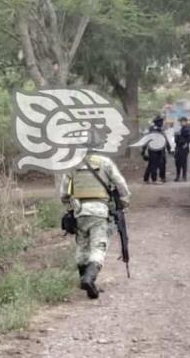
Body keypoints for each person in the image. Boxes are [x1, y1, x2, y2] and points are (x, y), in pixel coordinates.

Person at [60, 153, 131, 299]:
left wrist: (70, 208)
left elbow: (64, 193)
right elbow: (120, 184)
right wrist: (124, 202)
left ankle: (84, 279)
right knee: (98, 246)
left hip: (79, 211)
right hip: (99, 211)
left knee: (82, 246)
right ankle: (89, 279)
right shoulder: (105, 162)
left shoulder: (72, 165)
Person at [142, 116, 171, 183]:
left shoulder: (160, 130)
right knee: (153, 164)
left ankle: (147, 178)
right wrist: (143, 151)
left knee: (154, 164)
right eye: (159, 122)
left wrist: (169, 149)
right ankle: (154, 179)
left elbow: (165, 140)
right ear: (156, 122)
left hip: (160, 150)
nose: (161, 123)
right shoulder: (152, 130)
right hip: (153, 150)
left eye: (161, 121)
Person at [174, 117, 190, 182]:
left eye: (181, 121)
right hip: (178, 146)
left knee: (183, 162)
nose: (180, 123)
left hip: (183, 147)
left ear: (185, 122)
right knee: (177, 162)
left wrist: (186, 143)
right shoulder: (180, 128)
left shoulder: (187, 128)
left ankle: (184, 176)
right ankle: (178, 176)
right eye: (180, 121)